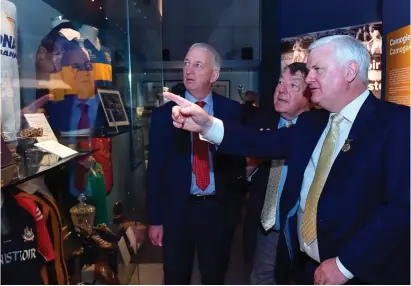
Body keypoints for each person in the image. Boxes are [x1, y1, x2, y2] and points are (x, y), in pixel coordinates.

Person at [163, 35, 410, 285]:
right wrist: (207, 126)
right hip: (303, 266)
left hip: (358, 273)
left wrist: (345, 265)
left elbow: (402, 210)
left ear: (350, 71)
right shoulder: (312, 123)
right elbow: (261, 142)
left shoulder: (396, 124)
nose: (309, 77)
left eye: (317, 69)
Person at [146, 43, 246, 284]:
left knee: (214, 276)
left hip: (216, 211)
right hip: (176, 212)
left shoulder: (232, 112)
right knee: (175, 276)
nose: (188, 70)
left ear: (214, 75)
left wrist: (232, 213)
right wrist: (155, 219)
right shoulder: (163, 116)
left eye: (198, 65)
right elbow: (155, 172)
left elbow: (237, 166)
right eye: (187, 63)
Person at [243, 62, 312, 284]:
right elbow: (238, 177)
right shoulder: (259, 125)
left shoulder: (319, 132)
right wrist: (249, 165)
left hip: (304, 231)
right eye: (281, 82)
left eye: (293, 85)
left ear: (310, 97)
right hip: (267, 226)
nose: (282, 89)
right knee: (262, 277)